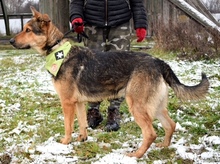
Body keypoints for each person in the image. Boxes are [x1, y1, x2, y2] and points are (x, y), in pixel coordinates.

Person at [69, 0, 147, 132]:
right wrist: (76, 16)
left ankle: (114, 110)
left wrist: (140, 23)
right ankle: (93, 110)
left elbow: (137, 1)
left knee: (120, 68)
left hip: (120, 21)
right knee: (91, 68)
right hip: (92, 21)